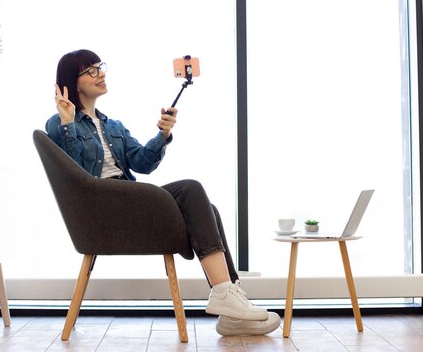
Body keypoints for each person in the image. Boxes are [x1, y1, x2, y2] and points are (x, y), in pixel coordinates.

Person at [46, 49, 280, 336]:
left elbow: (143, 164)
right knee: (191, 188)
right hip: (104, 209)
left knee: (207, 207)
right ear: (72, 81)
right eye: (91, 70)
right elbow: (73, 175)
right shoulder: (59, 123)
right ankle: (225, 294)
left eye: (101, 67)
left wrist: (163, 135)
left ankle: (230, 303)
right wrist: (68, 123)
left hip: (131, 200)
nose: (101, 73)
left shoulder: (113, 126)